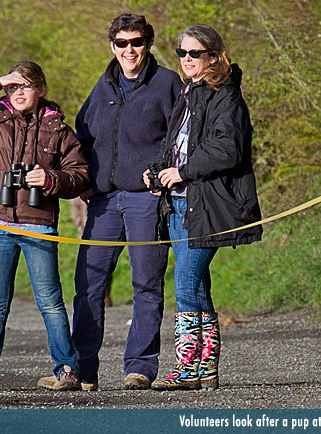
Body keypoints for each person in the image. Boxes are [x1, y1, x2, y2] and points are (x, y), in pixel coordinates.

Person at [0, 61, 90, 391]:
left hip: (37, 225)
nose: (18, 92)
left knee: (50, 303)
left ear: (41, 89)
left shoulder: (60, 131)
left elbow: (80, 175)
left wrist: (50, 179)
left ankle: (67, 370)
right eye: (13, 87)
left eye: (25, 86)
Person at [144, 24, 262, 391]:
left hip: (210, 205)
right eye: (182, 53)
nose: (187, 59)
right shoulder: (188, 95)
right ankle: (206, 368)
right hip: (180, 205)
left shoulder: (226, 97)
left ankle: (186, 369)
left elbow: (227, 151)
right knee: (198, 288)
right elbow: (174, 146)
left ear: (213, 56)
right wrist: (157, 172)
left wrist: (182, 172)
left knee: (185, 283)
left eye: (195, 53)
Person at [71, 13, 183, 391]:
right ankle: (83, 370)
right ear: (112, 46)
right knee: (88, 284)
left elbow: (179, 136)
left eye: (136, 42)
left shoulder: (167, 83)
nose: (129, 50)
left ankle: (140, 367)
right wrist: (84, 179)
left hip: (145, 200)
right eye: (122, 43)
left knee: (146, 285)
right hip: (102, 202)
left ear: (148, 44)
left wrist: (160, 170)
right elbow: (81, 137)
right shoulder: (102, 87)